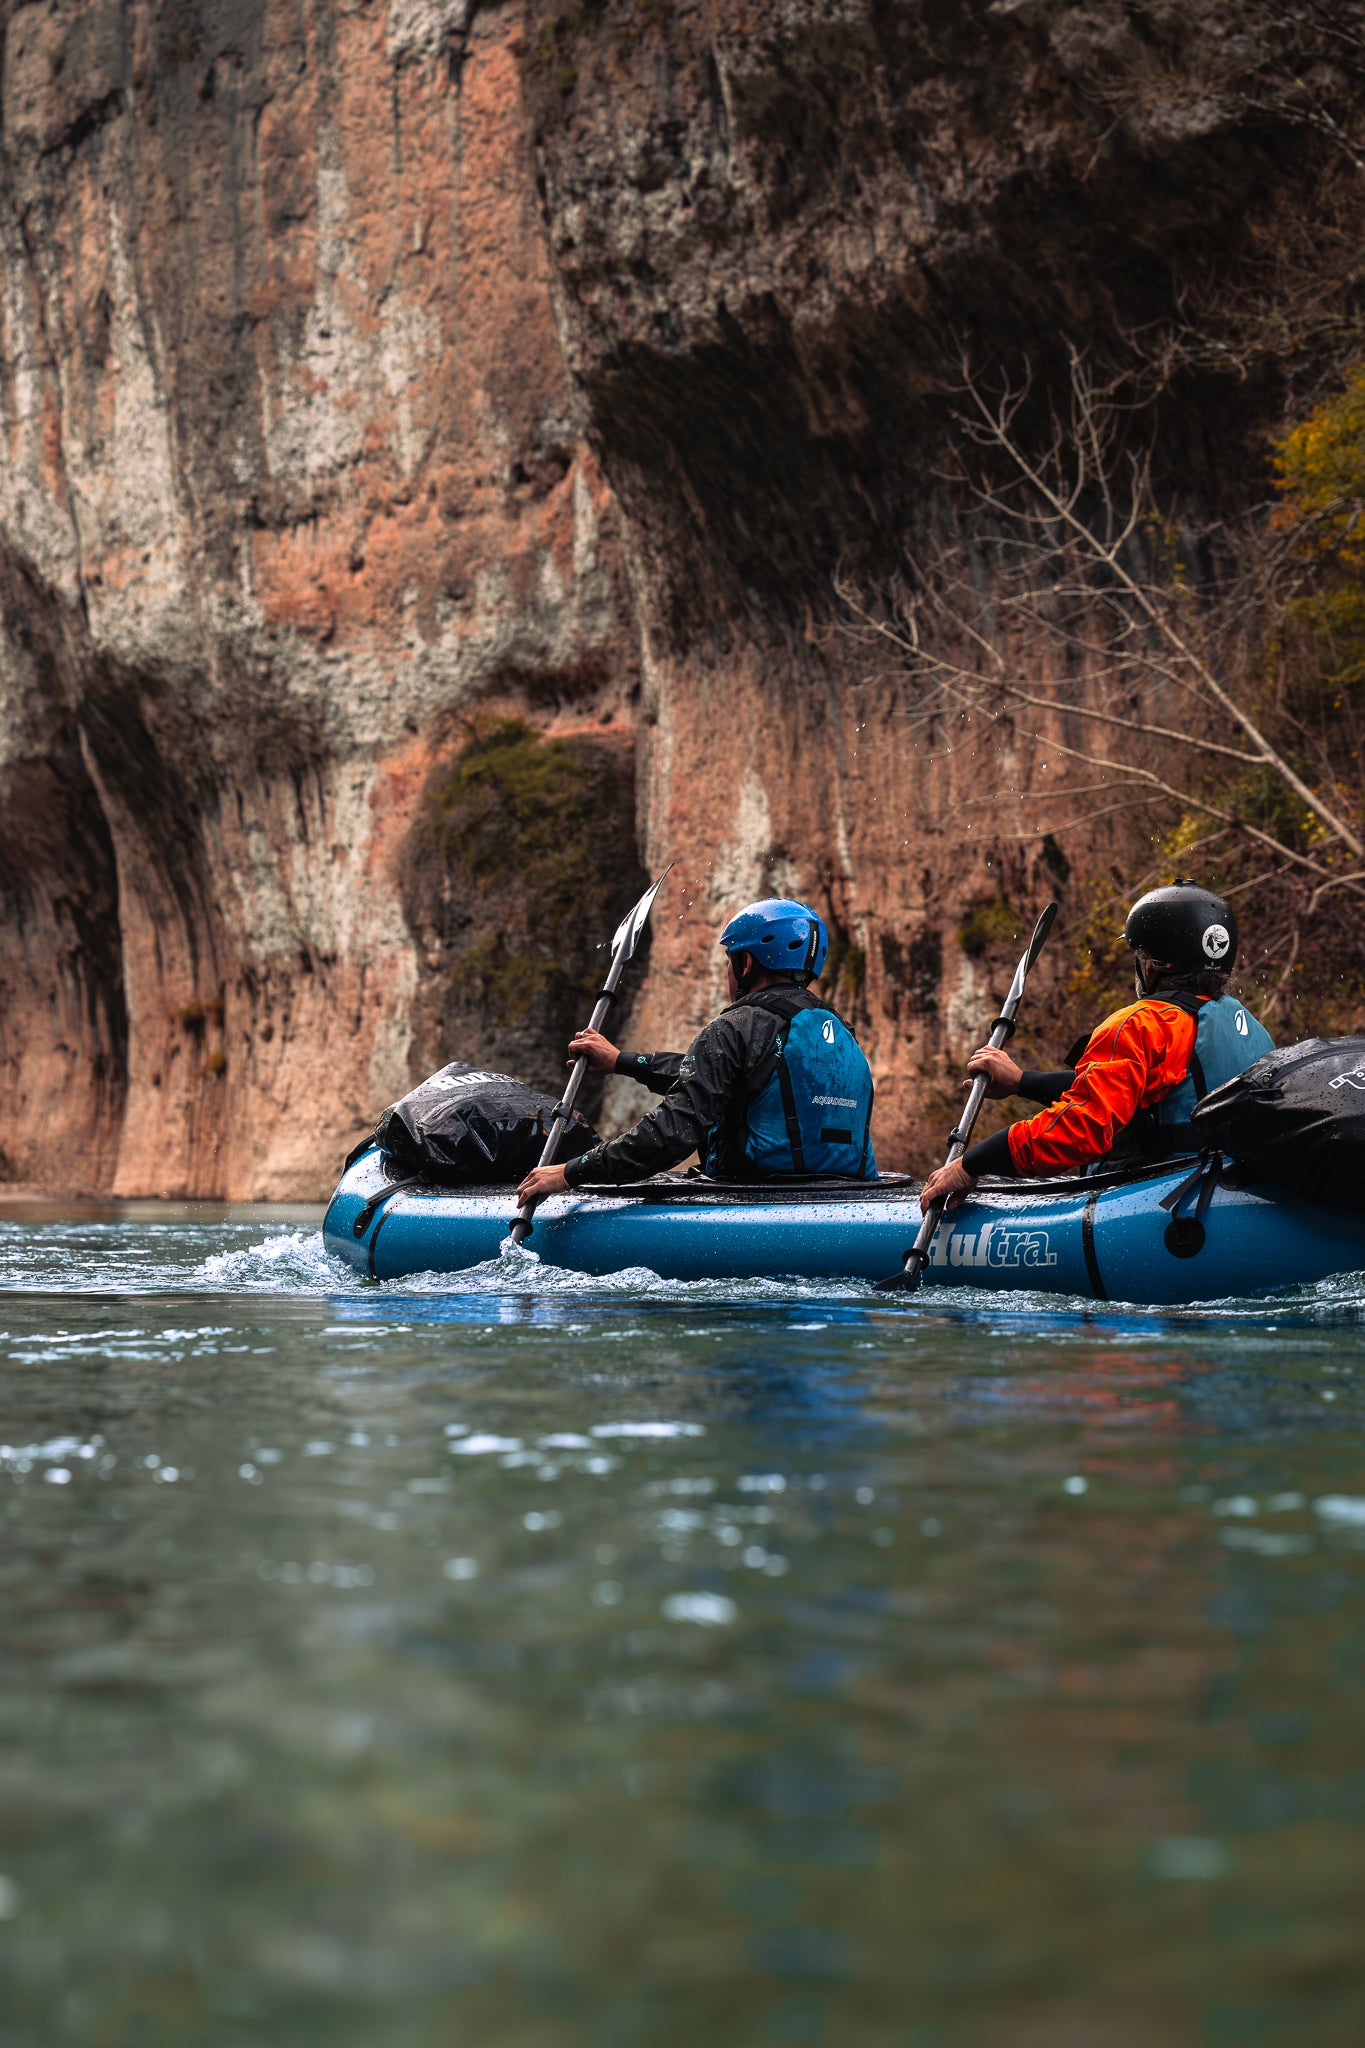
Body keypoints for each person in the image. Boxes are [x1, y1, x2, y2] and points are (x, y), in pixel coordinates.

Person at [920, 880, 1274, 1210]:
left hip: (1162, 1206)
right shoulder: (1252, 1030)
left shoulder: (1140, 1024)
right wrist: (1021, 1082)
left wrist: (971, 1163)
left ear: (1150, 967)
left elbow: (1079, 1132)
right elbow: (1138, 1091)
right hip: (1235, 1195)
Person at [515, 898, 877, 1202]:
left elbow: (670, 1134)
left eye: (731, 961)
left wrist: (571, 1172)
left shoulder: (736, 1027)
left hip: (756, 1198)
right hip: (842, 1194)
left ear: (746, 963)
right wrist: (622, 1061)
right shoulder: (840, 1030)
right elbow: (729, 1079)